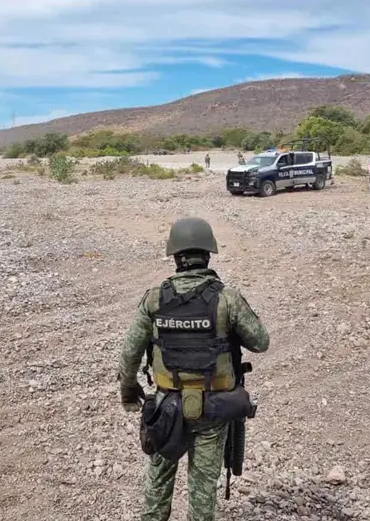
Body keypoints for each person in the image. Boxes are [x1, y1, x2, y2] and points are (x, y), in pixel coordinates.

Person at [118, 217, 270, 521]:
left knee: (158, 485)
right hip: (212, 411)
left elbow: (130, 353)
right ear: (208, 254)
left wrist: (128, 392)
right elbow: (260, 342)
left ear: (175, 257)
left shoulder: (155, 299)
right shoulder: (227, 299)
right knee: (203, 491)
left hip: (166, 409)